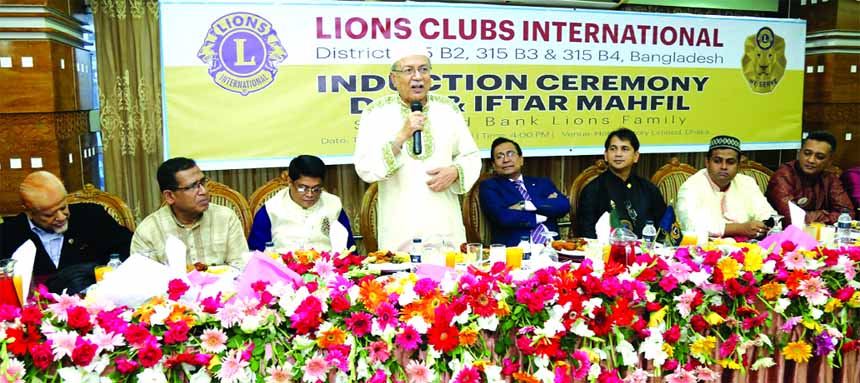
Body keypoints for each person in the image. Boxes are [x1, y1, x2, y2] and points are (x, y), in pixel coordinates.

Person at [354, 40, 481, 252]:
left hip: (444, 222)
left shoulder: (448, 109)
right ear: (394, 78)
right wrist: (401, 137)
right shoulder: (375, 113)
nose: (417, 77)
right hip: (400, 226)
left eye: (423, 69)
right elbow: (365, 167)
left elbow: (471, 156)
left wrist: (455, 171)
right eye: (408, 70)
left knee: (451, 282)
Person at [0, 171, 132, 293]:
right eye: (49, 214)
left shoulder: (91, 215)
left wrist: (93, 270)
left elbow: (129, 250)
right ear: (29, 211)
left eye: (63, 207)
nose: (61, 217)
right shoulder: (7, 234)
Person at [132, 157, 247, 268]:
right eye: (193, 187)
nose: (203, 191)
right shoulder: (148, 231)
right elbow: (144, 279)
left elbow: (241, 267)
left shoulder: (225, 218)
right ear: (170, 196)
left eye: (203, 182)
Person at [248, 155, 356, 252]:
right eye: (302, 188)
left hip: (328, 269)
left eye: (316, 188)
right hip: (284, 271)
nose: (309, 194)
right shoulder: (271, 210)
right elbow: (256, 256)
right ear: (290, 182)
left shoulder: (333, 205)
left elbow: (349, 249)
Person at [676, 135, 776, 239]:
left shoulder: (747, 183)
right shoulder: (691, 186)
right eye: (717, 161)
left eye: (730, 162)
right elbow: (691, 226)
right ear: (707, 162)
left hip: (748, 249)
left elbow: (767, 213)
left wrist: (763, 226)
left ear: (738, 165)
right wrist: (740, 229)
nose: (723, 167)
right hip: (705, 250)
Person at [479, 137, 569, 246]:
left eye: (510, 154)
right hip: (516, 249)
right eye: (499, 157)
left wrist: (525, 205)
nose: (506, 160)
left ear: (521, 159)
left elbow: (563, 205)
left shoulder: (543, 183)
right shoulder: (490, 187)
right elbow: (502, 217)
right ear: (494, 165)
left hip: (553, 247)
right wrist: (542, 215)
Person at [577, 128, 666, 238]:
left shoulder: (649, 190)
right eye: (613, 149)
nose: (618, 154)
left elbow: (663, 231)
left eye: (625, 149)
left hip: (645, 253)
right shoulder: (592, 190)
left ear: (636, 156)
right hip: (607, 253)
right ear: (605, 155)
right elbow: (587, 236)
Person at [766, 131, 855, 226]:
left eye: (819, 157)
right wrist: (824, 214)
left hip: (818, 234)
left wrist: (815, 217)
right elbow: (793, 218)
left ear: (830, 160)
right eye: (807, 153)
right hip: (784, 235)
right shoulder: (784, 175)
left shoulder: (829, 177)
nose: (811, 160)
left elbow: (848, 214)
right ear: (799, 153)